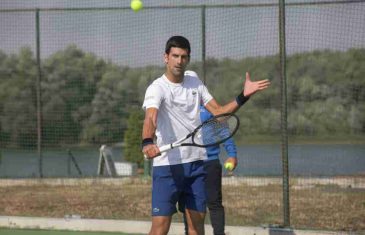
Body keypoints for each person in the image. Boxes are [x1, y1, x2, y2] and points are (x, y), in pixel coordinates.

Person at [142, 35, 270, 235]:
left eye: (183, 57)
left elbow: (219, 115)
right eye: (175, 56)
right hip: (167, 167)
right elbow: (151, 117)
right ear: (165, 57)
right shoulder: (157, 88)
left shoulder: (194, 81)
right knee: (159, 228)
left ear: (188, 59)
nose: (179, 61)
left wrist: (243, 96)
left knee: (196, 227)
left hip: (196, 165)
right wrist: (147, 141)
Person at [181, 105, 238, 235]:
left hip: (210, 163)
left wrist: (232, 154)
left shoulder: (210, 109)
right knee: (189, 204)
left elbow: (224, 132)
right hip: (187, 163)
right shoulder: (180, 107)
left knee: (214, 203)